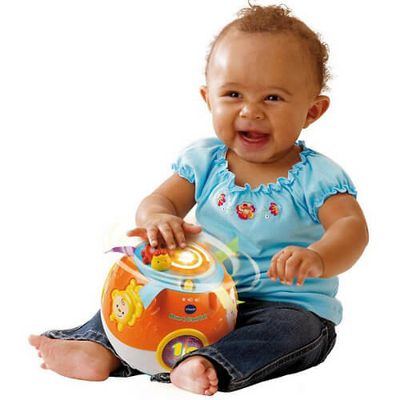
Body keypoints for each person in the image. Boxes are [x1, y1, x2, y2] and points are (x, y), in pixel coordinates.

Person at [29, 4, 369, 396]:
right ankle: (97, 346)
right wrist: (159, 219)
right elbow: (159, 201)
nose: (250, 111)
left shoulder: (317, 177)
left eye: (273, 98)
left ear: (312, 111)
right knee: (143, 296)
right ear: (209, 98)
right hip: (199, 297)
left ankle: (208, 363)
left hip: (283, 304)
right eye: (233, 94)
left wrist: (319, 257)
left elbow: (352, 228)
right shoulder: (205, 161)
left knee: (297, 332)